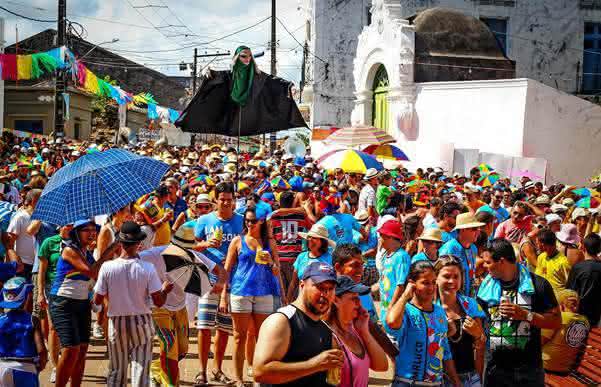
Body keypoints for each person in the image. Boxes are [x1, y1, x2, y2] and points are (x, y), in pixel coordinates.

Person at [93, 221, 173, 387]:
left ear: (120, 243)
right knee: (141, 370)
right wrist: (165, 290)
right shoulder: (148, 268)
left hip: (116, 322)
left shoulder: (107, 267)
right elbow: (158, 302)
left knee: (116, 370)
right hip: (141, 321)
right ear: (139, 243)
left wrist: (114, 295)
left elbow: (97, 301)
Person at [477, 238, 561, 386]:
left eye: (488, 262)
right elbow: (478, 322)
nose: (484, 266)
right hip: (496, 369)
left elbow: (555, 322)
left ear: (501, 261)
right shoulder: (486, 287)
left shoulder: (538, 284)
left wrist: (525, 315)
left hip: (528, 369)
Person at [49, 219, 118, 387]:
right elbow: (91, 272)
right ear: (76, 233)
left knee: (81, 351)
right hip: (63, 303)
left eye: (94, 229)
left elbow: (98, 273)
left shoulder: (84, 252)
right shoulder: (68, 250)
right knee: (71, 350)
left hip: (82, 304)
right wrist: (109, 250)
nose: (92, 233)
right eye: (86, 230)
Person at [253, 262, 343, 386]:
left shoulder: (325, 328)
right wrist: (314, 365)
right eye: (320, 287)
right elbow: (260, 372)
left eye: (330, 289)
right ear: (302, 285)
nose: (325, 294)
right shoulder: (281, 321)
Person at [223, 207, 284, 386]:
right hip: (240, 292)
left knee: (261, 337)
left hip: (265, 292)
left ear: (261, 222)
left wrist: (271, 262)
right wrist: (222, 296)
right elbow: (227, 270)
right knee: (239, 337)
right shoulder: (237, 241)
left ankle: (259, 376)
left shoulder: (269, 243)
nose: (249, 224)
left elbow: (277, 271)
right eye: (247, 221)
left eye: (253, 221)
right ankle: (239, 378)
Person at [194, 182, 243, 385]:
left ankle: (218, 369)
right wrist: (206, 244)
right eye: (222, 199)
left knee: (224, 329)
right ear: (215, 200)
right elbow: (191, 246)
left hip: (233, 280)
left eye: (229, 200)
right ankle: (202, 371)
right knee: (204, 327)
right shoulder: (204, 220)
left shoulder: (241, 222)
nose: (225, 203)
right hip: (207, 279)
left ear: (234, 201)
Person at [386, 261, 462, 386]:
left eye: (433, 282)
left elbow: (445, 352)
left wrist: (456, 383)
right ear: (412, 284)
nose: (431, 288)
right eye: (425, 283)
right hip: (407, 383)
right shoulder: (405, 311)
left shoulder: (439, 312)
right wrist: (405, 295)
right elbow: (392, 322)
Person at [323, 275, 388, 387]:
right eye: (354, 299)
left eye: (359, 298)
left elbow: (382, 366)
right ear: (335, 300)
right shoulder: (327, 337)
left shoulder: (355, 331)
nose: (359, 304)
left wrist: (365, 332)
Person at [434, 256, 487, 386]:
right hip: (440, 380)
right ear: (435, 278)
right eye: (446, 276)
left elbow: (480, 347)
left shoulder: (471, 306)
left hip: (471, 377)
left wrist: (478, 335)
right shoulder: (430, 310)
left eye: (456, 276)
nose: (452, 281)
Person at [37, 225, 71, 383]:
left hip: (72, 289)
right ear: (60, 226)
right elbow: (42, 271)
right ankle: (56, 366)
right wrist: (40, 294)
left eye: (72, 224)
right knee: (53, 328)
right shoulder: (48, 243)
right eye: (66, 224)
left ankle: (66, 364)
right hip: (52, 289)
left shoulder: (77, 243)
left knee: (68, 329)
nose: (69, 227)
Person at [0, 276, 47, 386]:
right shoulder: (32, 320)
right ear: (26, 297)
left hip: (1, 368)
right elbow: (41, 351)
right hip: (26, 368)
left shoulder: (1, 320)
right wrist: (42, 363)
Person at [268, 191, 312, 293]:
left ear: (280, 202)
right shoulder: (301, 217)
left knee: (281, 293)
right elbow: (313, 229)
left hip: (278, 258)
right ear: (293, 202)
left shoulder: (273, 217)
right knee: (294, 292)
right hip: (295, 259)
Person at [541, 290, 590, 373]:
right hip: (565, 368)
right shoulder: (585, 321)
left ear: (561, 305)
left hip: (546, 365)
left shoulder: (558, 318)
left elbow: (541, 341)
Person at [377, 219, 411, 333]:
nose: (380, 239)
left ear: (389, 237)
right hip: (385, 308)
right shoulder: (385, 256)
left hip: (395, 310)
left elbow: (400, 285)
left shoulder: (401, 256)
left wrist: (391, 307)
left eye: (381, 236)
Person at [439, 213, 485, 297]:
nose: (478, 232)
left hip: (467, 299)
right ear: (463, 230)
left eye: (479, 228)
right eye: (474, 229)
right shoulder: (449, 249)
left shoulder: (473, 248)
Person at [288, 224, 335, 300]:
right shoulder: (301, 257)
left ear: (322, 241)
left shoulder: (330, 258)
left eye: (314, 238)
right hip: (302, 302)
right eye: (309, 237)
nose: (310, 240)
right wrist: (288, 299)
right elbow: (293, 283)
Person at [5, 189, 42, 280]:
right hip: (22, 264)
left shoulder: (39, 218)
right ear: (34, 200)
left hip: (36, 265)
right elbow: (9, 241)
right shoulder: (20, 217)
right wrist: (16, 260)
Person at [567, 233, 601, 326]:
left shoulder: (577, 267)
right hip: (597, 317)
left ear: (583, 248)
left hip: (579, 316)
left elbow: (569, 293)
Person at [535, 228, 571, 296]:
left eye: (537, 243)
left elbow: (570, 286)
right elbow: (538, 277)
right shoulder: (541, 257)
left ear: (542, 245)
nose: (536, 245)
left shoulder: (563, 262)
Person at [352, 210, 379, 287]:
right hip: (373, 268)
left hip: (363, 269)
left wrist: (364, 254)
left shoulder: (354, 233)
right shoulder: (376, 231)